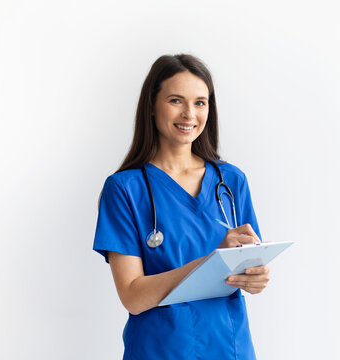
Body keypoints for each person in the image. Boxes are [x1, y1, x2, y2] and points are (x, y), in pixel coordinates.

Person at [93, 54, 270, 360]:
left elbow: (248, 266)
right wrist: (211, 261)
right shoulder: (125, 189)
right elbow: (133, 297)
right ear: (151, 105)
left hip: (229, 348)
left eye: (200, 102)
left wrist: (256, 277)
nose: (190, 113)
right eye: (176, 100)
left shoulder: (230, 181)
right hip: (159, 350)